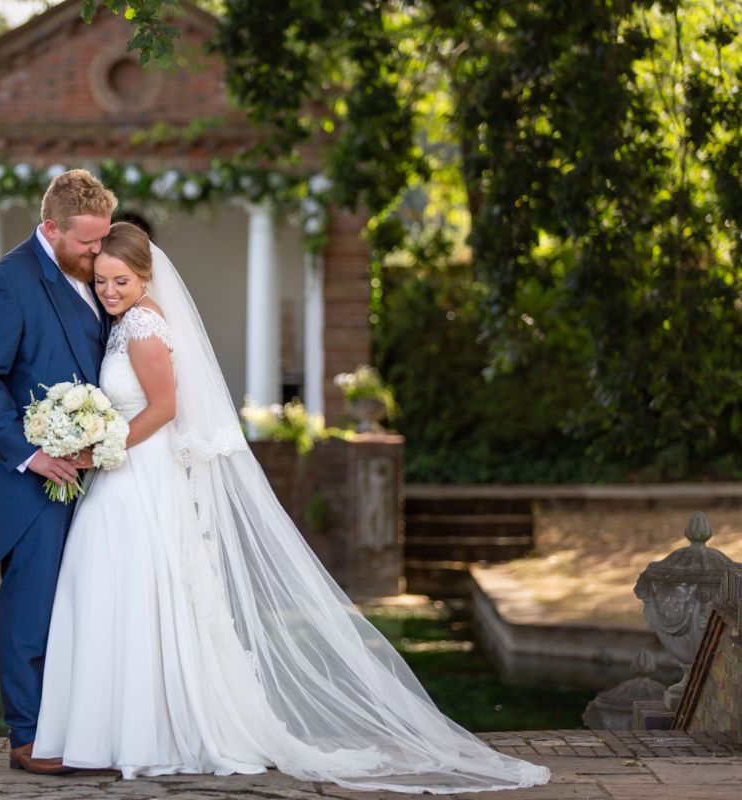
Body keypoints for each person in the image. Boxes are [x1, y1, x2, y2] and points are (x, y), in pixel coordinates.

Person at [32, 222, 551, 794]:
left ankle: (142, 734)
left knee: (128, 592)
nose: (108, 290)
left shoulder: (144, 325)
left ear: (146, 274)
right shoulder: (129, 320)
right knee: (123, 594)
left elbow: (162, 408)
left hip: (137, 475)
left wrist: (99, 447)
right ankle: (125, 732)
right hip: (129, 475)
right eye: (102, 280)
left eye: (120, 280)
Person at [0, 169, 116, 775]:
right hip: (30, 481)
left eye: (102, 240)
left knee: (75, 603)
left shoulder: (87, 280)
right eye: (87, 242)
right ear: (50, 227)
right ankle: (28, 738)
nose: (97, 252)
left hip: (84, 474)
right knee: (31, 606)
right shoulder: (6, 284)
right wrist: (31, 453)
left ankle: (73, 726)